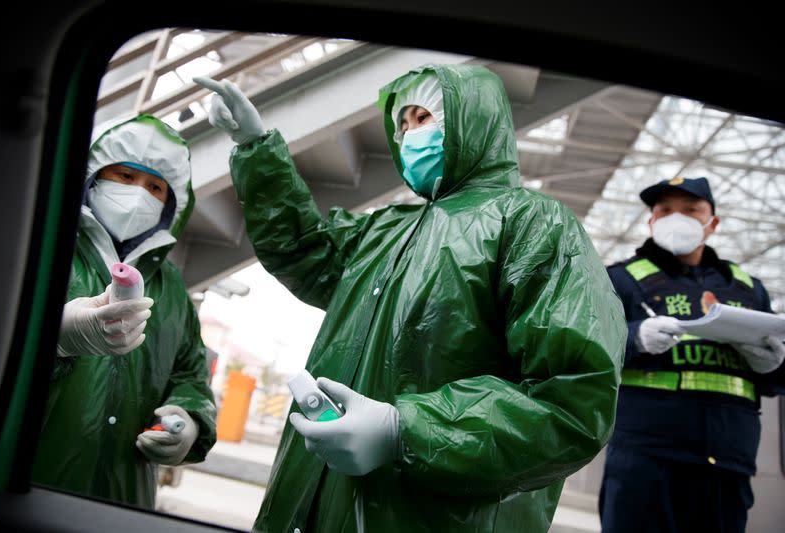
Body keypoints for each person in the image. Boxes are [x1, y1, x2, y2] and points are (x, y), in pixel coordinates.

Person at [195, 64, 626, 532]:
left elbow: (571, 400)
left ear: (472, 123)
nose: (407, 135)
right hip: (311, 504)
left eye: (423, 118)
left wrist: (407, 430)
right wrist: (256, 151)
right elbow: (303, 250)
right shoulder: (385, 229)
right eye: (402, 123)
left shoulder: (532, 224)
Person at [32, 114, 217, 509]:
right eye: (125, 177)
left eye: (155, 187)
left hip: (123, 500)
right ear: (93, 178)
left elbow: (190, 374)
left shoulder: (171, 288)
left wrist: (189, 420)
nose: (139, 195)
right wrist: (55, 340)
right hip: (27, 483)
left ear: (171, 205)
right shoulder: (40, 246)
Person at [598, 176, 785, 532]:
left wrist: (775, 364)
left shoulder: (748, 289)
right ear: (651, 221)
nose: (676, 218)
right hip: (645, 458)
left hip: (728, 464)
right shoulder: (621, 280)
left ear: (712, 223)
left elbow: (778, 377)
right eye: (664, 210)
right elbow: (584, 351)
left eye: (691, 210)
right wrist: (634, 337)